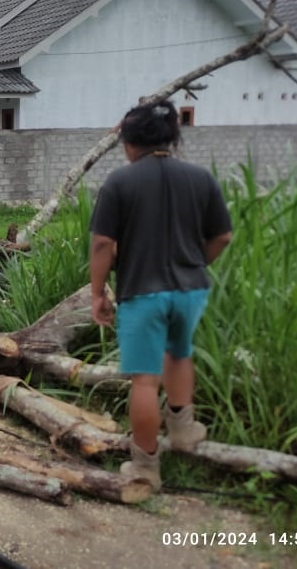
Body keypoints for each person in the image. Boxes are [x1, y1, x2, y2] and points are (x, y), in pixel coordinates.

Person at [89, 100, 233, 490]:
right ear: (171, 138)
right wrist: (194, 263)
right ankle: (184, 431)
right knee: (179, 353)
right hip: (190, 291)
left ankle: (145, 466)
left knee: (144, 381)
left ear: (129, 142)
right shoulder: (200, 178)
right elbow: (222, 236)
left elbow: (103, 243)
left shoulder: (120, 182)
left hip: (143, 294)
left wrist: (97, 292)